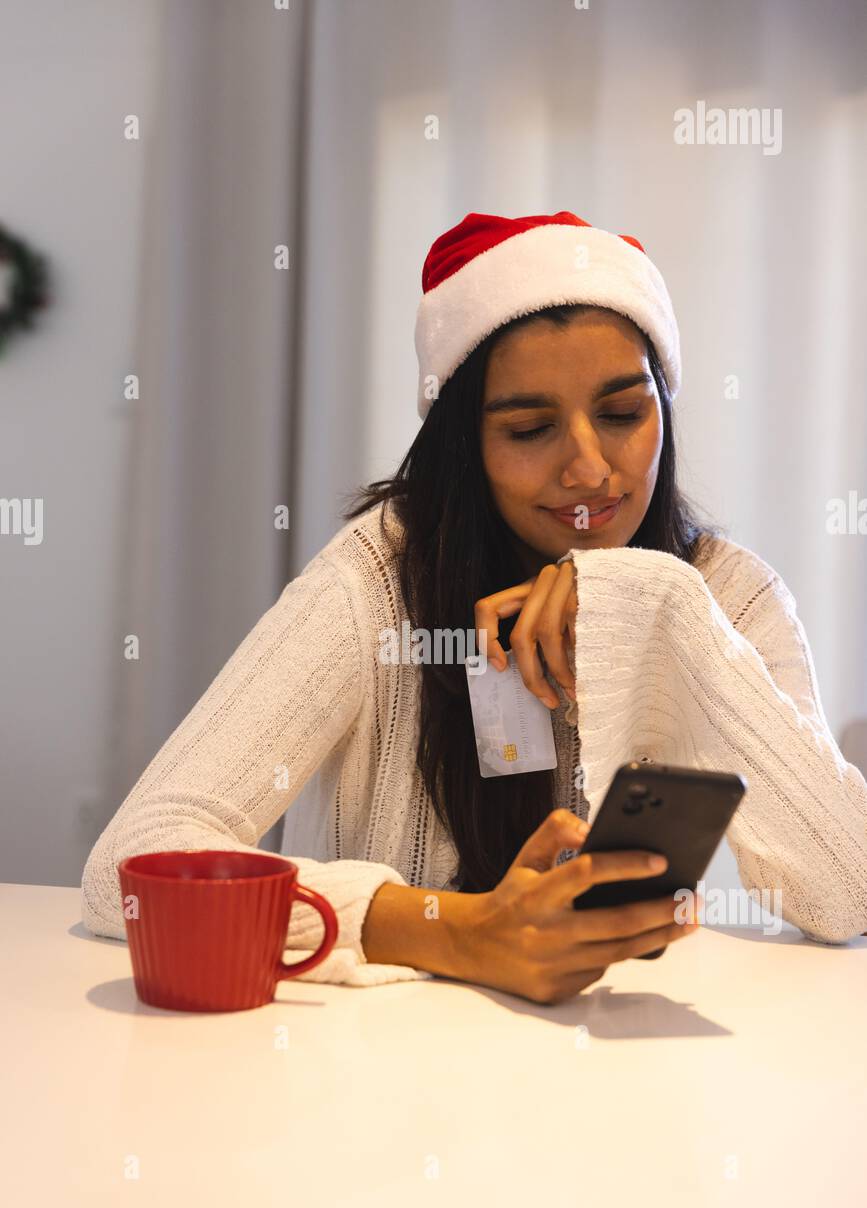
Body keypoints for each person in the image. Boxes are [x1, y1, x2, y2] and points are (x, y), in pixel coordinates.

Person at [81, 210, 867, 1004]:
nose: (590, 469)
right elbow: (131, 870)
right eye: (529, 429)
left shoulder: (723, 595)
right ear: (464, 445)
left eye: (624, 414)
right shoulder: (376, 581)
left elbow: (845, 896)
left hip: (631, 1082)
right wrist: (454, 931)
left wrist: (658, 607)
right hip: (383, 1081)